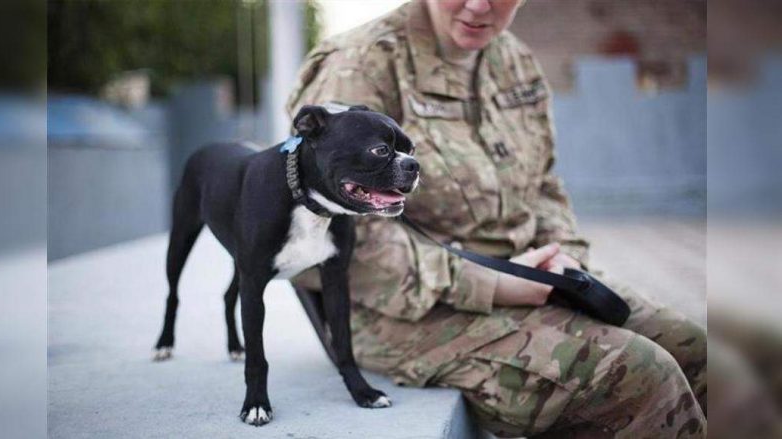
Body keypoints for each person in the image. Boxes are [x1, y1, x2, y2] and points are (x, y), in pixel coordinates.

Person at [287, 1, 706, 437]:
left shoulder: (513, 60)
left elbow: (542, 184)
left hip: (535, 279)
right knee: (642, 375)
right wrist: (492, 283)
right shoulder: (362, 65)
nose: (479, 5)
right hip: (404, 314)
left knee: (696, 348)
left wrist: (565, 259)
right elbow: (325, 229)